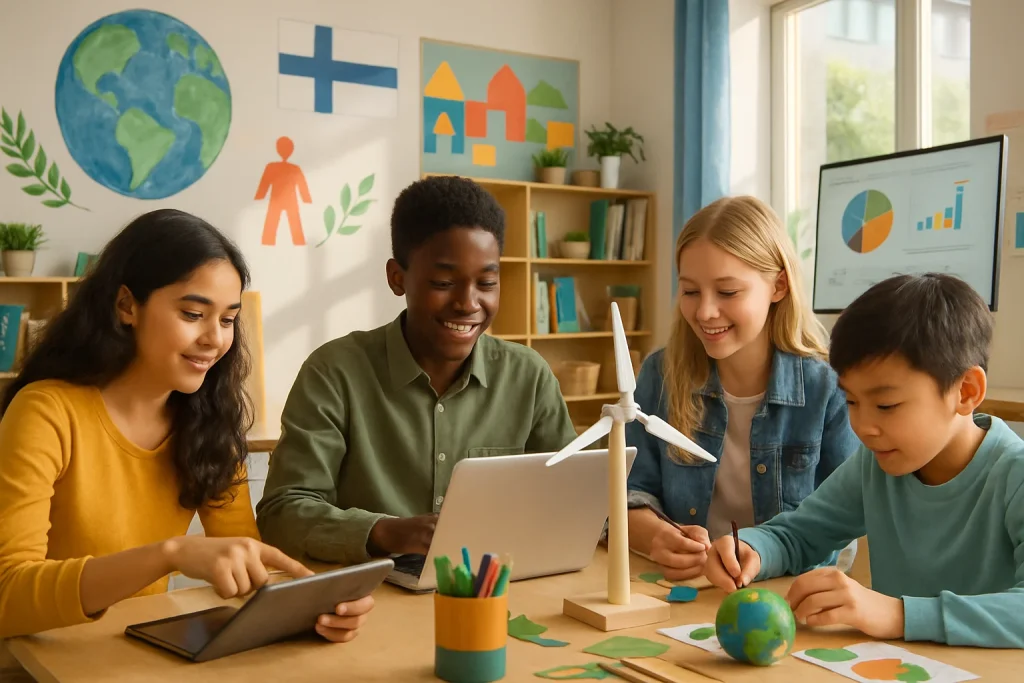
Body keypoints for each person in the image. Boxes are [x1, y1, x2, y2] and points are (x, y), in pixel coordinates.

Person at [0, 209, 372, 641]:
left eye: (228, 319)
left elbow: (250, 565)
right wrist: (169, 555)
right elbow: (8, 595)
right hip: (34, 664)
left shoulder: (207, 421)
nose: (215, 338)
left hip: (131, 656)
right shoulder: (45, 412)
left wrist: (313, 606)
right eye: (193, 314)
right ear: (126, 306)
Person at [256, 175, 577, 565]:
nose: (468, 303)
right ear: (397, 278)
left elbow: (570, 495)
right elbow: (282, 512)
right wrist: (385, 532)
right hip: (368, 599)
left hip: (492, 587)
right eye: (444, 282)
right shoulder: (334, 372)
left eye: (487, 282)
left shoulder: (528, 375)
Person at [705, 273, 1024, 649]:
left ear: (966, 392)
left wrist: (897, 615)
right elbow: (798, 535)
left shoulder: (1013, 475)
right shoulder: (876, 466)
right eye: (852, 402)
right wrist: (753, 549)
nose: (863, 427)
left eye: (886, 405)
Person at [625, 196, 859, 581]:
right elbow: (629, 493)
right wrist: (659, 537)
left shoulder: (829, 387)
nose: (704, 312)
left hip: (788, 595)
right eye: (690, 291)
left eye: (728, 292)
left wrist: (764, 553)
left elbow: (846, 521)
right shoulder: (660, 374)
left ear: (778, 285)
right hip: (685, 593)